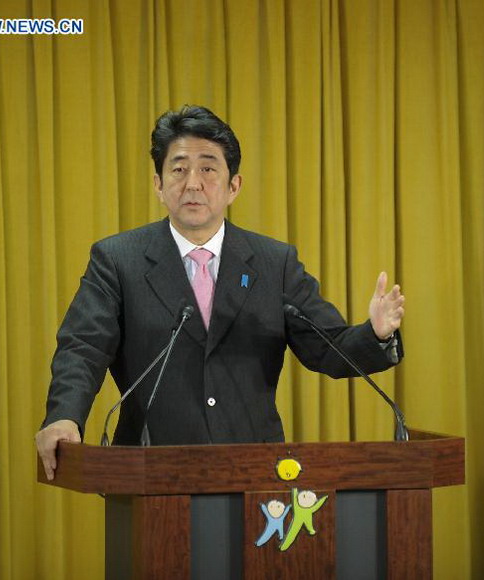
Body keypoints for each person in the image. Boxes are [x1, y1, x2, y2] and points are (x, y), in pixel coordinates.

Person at [35, 105, 405, 480]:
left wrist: (375, 333)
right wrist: (65, 416)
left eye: (208, 169)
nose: (192, 183)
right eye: (178, 169)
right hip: (149, 471)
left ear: (233, 187)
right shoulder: (118, 260)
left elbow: (327, 348)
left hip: (256, 473)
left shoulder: (273, 263)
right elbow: (83, 348)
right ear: (158, 185)